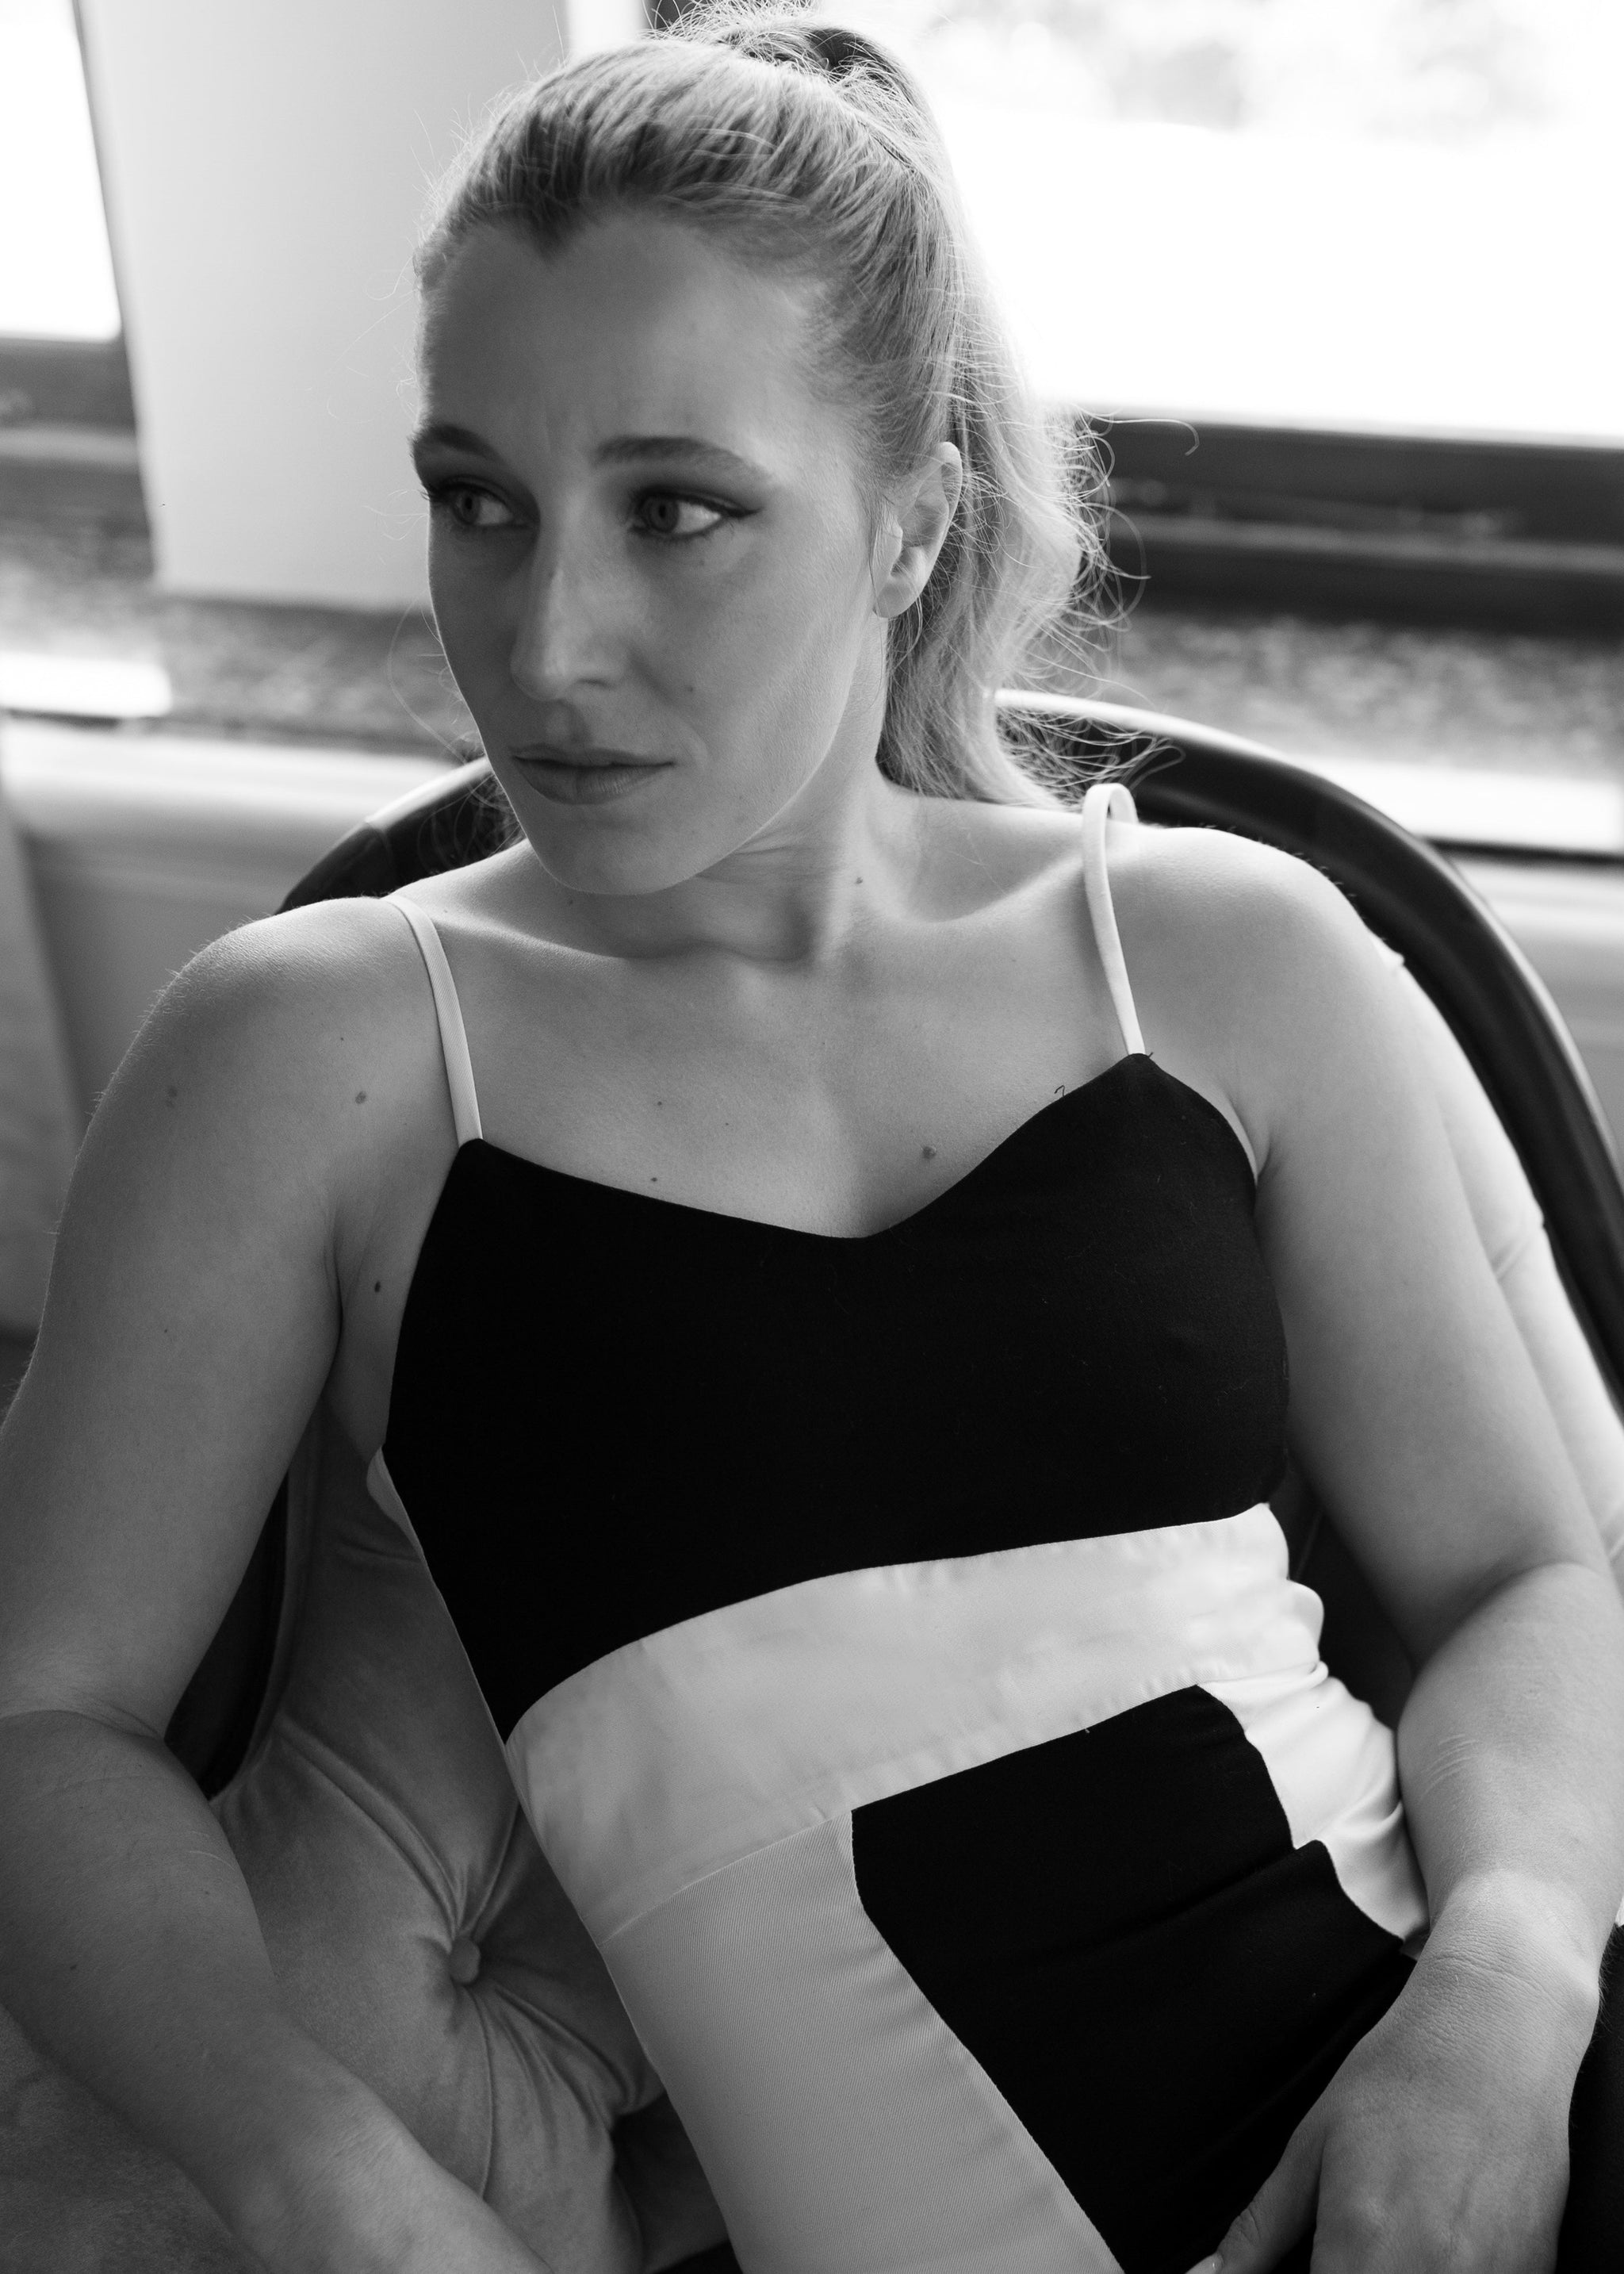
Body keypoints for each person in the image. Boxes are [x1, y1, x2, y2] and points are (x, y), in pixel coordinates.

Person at [1, 9, 1622, 2270]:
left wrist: (1506, 2004)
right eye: (478, 499)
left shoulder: (1222, 956)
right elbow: (43, 1719)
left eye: (677, 510)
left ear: (910, 522)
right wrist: (323, 2170)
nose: (548, 640)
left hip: (1502, 2126)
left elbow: (1533, 1577)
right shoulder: (321, 1048)